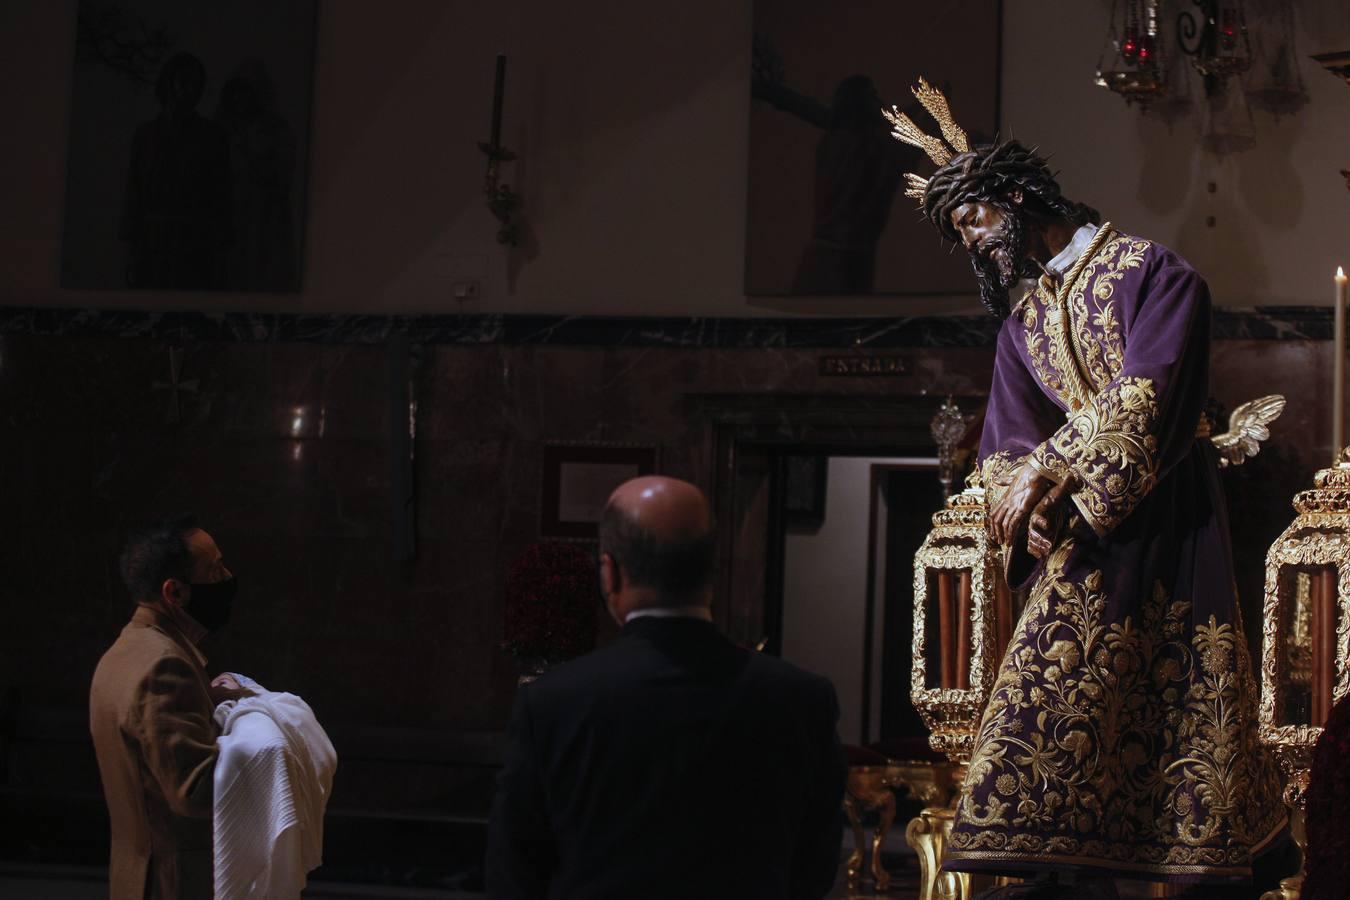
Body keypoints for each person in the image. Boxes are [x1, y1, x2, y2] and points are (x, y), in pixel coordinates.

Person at [887, 80, 1285, 896]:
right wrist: (1019, 503)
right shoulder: (1024, 324)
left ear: (1019, 197)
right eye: (960, 232)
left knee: (1179, 701)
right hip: (1079, 535)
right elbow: (1007, 436)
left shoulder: (1151, 272)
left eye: (975, 221)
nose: (973, 243)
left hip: (1165, 517)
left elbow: (1152, 387)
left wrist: (1054, 467)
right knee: (1042, 710)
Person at [486, 476, 846, 899]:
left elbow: (514, 876)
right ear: (713, 571)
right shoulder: (802, 701)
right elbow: (815, 867)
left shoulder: (551, 703)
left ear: (610, 573)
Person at [90, 515, 248, 899]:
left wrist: (208, 702)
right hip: (175, 881)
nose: (228, 577)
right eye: (215, 570)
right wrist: (261, 731)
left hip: (139, 873)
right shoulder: (164, 665)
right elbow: (193, 791)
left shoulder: (129, 648)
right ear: (175, 593)